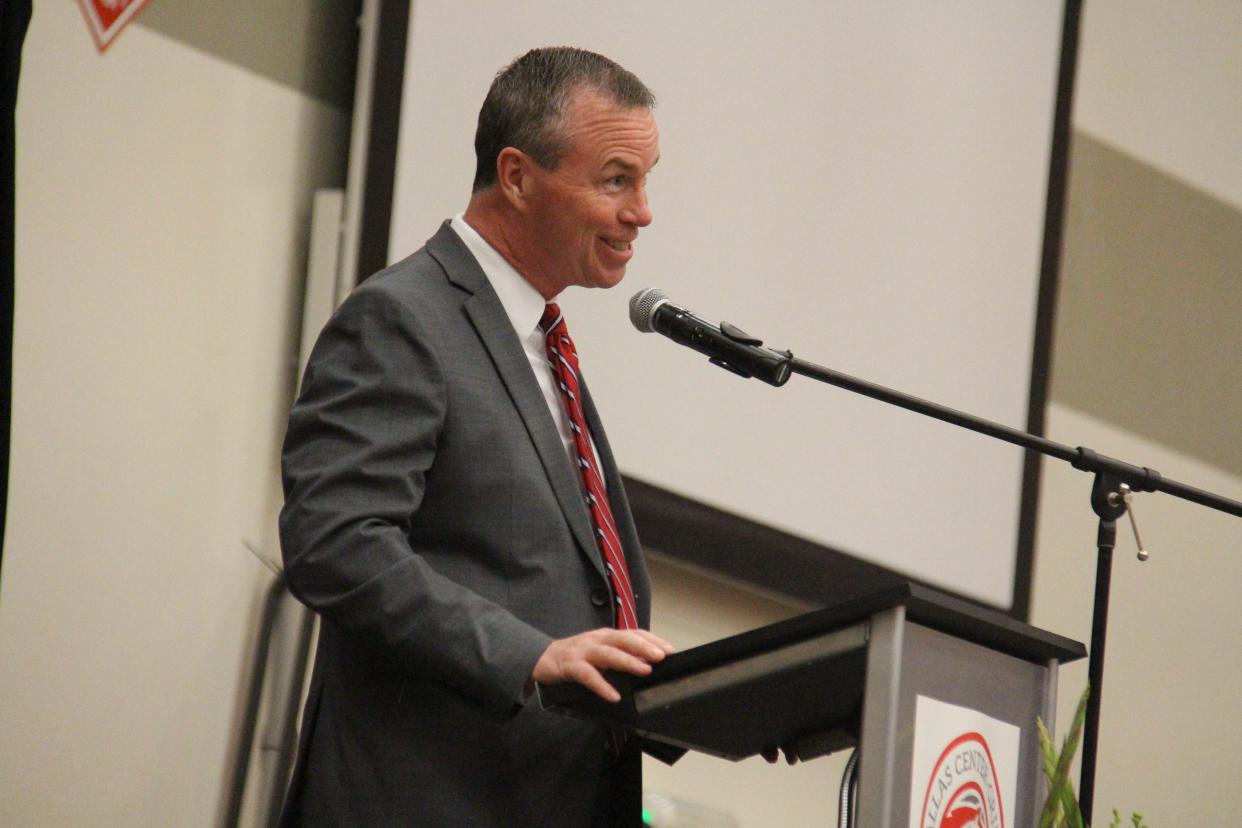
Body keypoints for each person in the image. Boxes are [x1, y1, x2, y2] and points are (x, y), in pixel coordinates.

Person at [277, 47, 671, 827]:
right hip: (427, 799)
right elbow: (336, 543)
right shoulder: (403, 317)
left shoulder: (536, 340)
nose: (643, 211)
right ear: (519, 176)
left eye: (647, 179)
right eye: (617, 179)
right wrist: (529, 654)